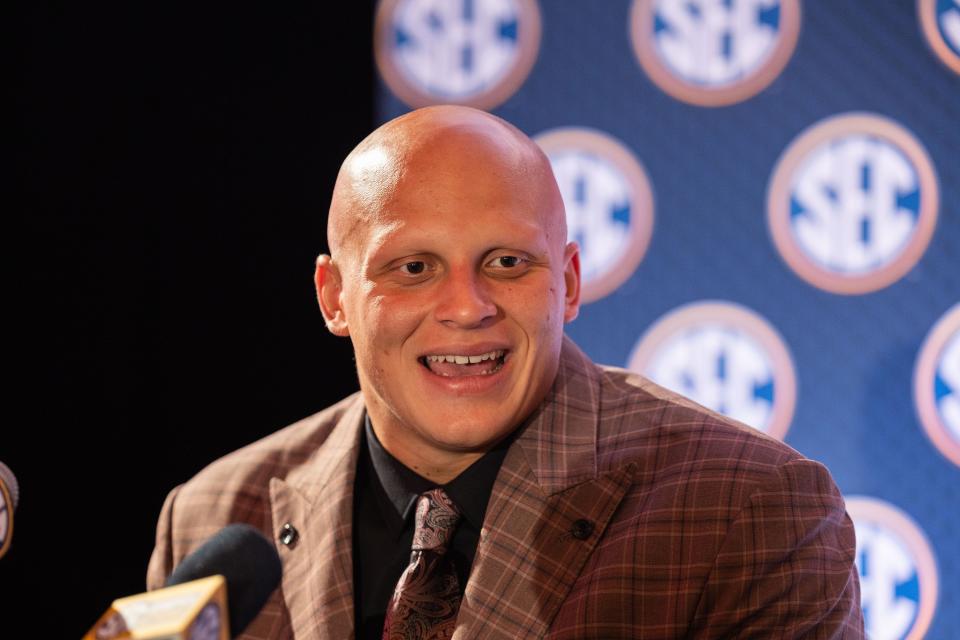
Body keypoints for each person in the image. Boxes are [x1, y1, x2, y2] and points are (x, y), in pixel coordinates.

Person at [147, 105, 864, 639]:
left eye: (507, 262)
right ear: (335, 298)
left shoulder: (750, 510)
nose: (467, 306)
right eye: (415, 268)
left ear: (571, 283)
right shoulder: (213, 514)